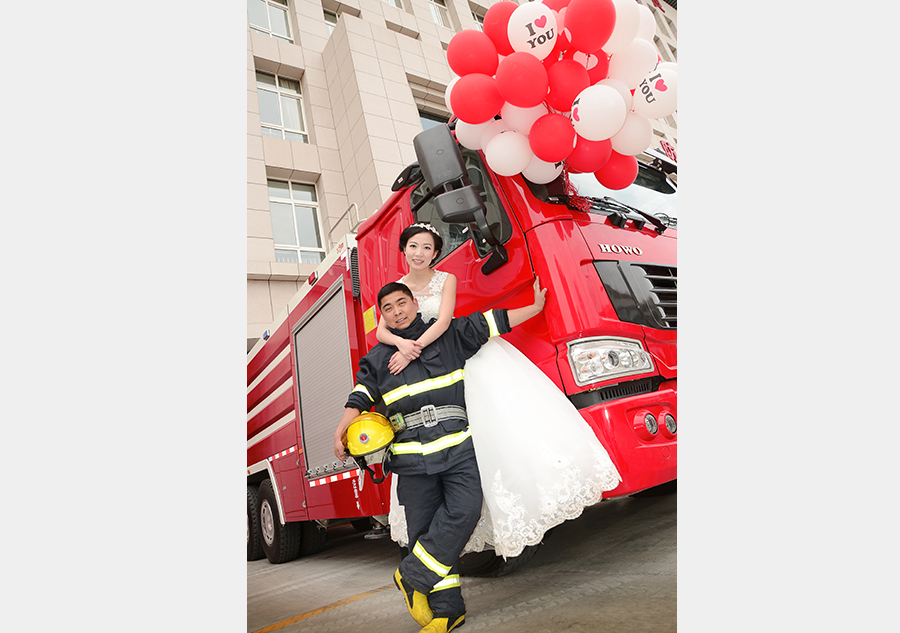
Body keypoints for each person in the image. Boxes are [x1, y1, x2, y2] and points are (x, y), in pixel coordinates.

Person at [377, 224, 622, 562]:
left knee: (497, 436)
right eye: (413, 246)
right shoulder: (396, 290)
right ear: (403, 250)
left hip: (450, 354)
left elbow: (445, 321)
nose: (419, 253)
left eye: (427, 248)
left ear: (436, 253)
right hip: (425, 369)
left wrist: (410, 349)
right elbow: (380, 329)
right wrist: (400, 342)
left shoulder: (445, 279)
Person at [333, 279, 547, 633]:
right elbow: (358, 398)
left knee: (464, 511)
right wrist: (339, 431)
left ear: (415, 304)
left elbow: (492, 322)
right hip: (410, 460)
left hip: (458, 449)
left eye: (402, 303)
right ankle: (448, 611)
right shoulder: (376, 359)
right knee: (424, 533)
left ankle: (411, 576)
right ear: (382, 317)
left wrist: (535, 308)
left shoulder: (447, 334)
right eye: (388, 308)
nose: (397, 311)